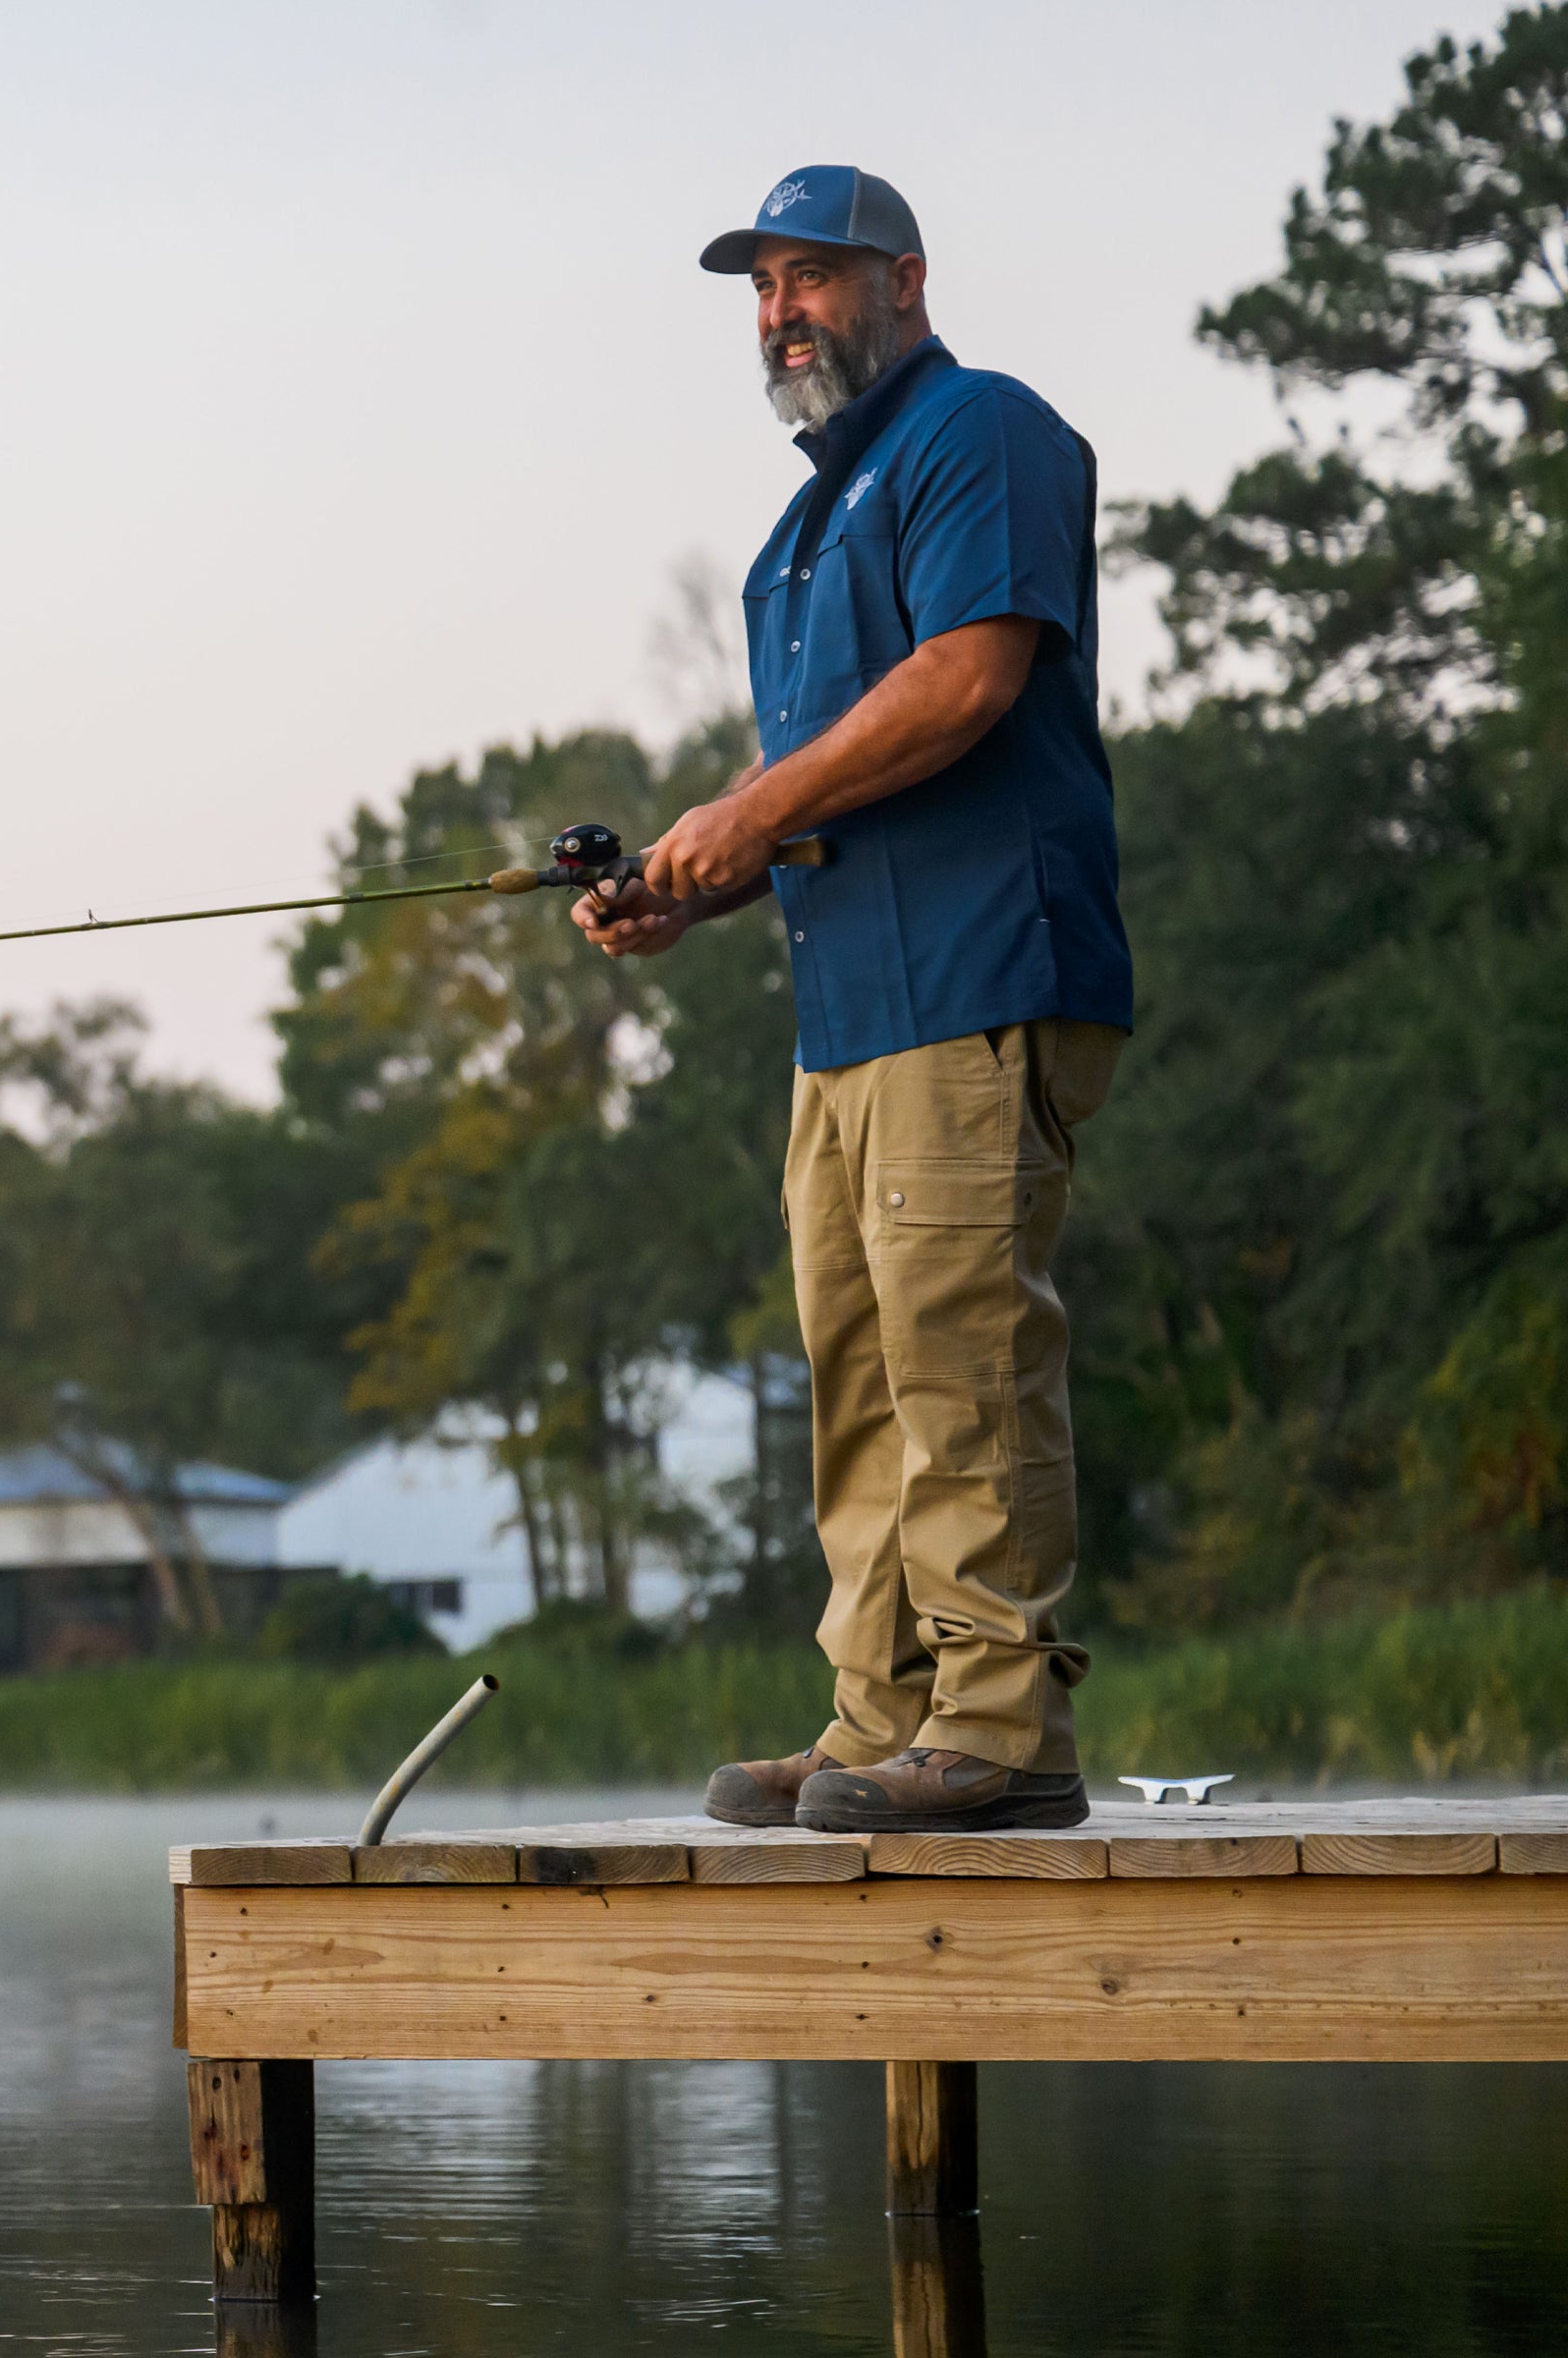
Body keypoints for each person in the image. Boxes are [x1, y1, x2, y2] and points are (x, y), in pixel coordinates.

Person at [576, 166, 1132, 1834]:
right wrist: (700, 876)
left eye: (811, 278)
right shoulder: (802, 532)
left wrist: (748, 812)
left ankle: (1004, 1729)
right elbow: (826, 785)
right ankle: (882, 1715)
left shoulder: (982, 435)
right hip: (850, 1013)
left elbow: (965, 683)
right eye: (761, 290)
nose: (782, 313)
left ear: (902, 279)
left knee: (964, 1361)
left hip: (982, 977)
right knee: (861, 1377)